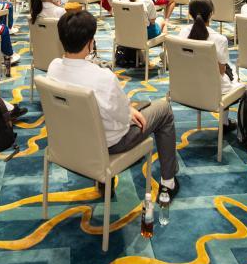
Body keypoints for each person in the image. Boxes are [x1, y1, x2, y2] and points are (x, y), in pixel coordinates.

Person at [47, 10, 180, 199]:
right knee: (164, 109)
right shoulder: (103, 78)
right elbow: (122, 120)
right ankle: (168, 182)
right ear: (90, 42)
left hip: (69, 138)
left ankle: (103, 182)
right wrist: (129, 112)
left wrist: (128, 110)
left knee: (125, 110)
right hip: (110, 144)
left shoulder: (53, 67)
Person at [178, 0, 236, 133]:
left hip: (184, 86)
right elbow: (221, 71)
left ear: (190, 14)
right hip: (213, 90)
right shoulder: (219, 39)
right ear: (211, 14)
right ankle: (224, 123)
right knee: (229, 71)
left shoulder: (182, 32)